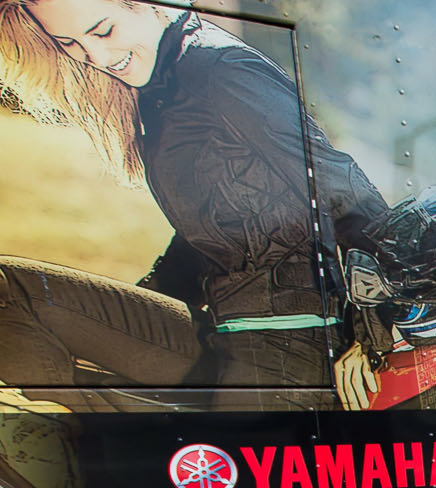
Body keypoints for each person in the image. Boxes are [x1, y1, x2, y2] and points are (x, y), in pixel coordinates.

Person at [0, 0, 385, 408]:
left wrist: (373, 334)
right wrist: (117, 316)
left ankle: (79, 437)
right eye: (69, 43)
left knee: (190, 466)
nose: (96, 57)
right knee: (11, 290)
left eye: (103, 31)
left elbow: (345, 191)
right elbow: (215, 231)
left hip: (291, 347)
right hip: (220, 332)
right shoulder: (166, 88)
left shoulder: (222, 72)